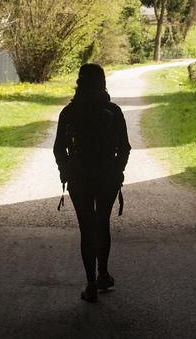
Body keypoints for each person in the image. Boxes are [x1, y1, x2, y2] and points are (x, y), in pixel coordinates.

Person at [53, 63, 131, 302]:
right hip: (107, 177)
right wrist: (118, 171)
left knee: (87, 229)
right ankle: (103, 273)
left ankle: (91, 285)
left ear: (79, 83)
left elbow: (59, 149)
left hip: (79, 179)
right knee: (102, 225)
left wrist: (65, 171)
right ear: (103, 83)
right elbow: (124, 147)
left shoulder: (69, 113)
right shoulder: (113, 111)